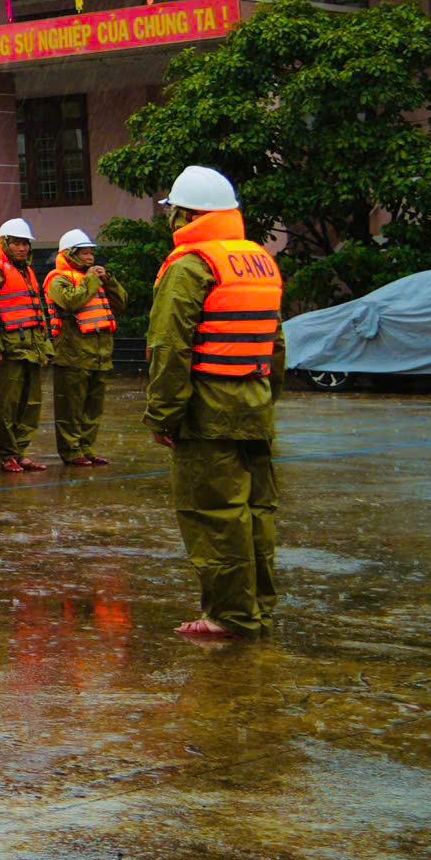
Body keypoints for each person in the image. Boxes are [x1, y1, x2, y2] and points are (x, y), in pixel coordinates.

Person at [145, 166, 285, 641]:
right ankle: (257, 608)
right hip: (255, 403)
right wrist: (265, 398)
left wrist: (163, 415)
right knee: (257, 512)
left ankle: (229, 615)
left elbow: (170, 347)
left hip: (208, 412)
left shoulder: (190, 265)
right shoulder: (259, 260)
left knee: (214, 513)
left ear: (185, 214)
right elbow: (275, 342)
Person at [0, 217, 52, 472]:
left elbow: (38, 312)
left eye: (25, 244)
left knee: (30, 404)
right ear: (4, 244)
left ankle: (19, 451)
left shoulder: (28, 273)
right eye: (17, 243)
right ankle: (6, 452)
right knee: (3, 404)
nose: (22, 248)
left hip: (30, 349)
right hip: (7, 351)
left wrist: (45, 347)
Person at [46, 228, 123, 466]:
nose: (91, 258)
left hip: (99, 354)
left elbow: (120, 304)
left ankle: (86, 447)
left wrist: (109, 281)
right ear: (70, 255)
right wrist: (91, 279)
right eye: (85, 253)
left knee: (92, 407)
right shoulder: (57, 279)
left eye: (91, 253)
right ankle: (71, 451)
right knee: (71, 406)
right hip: (72, 354)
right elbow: (70, 301)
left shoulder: (96, 279)